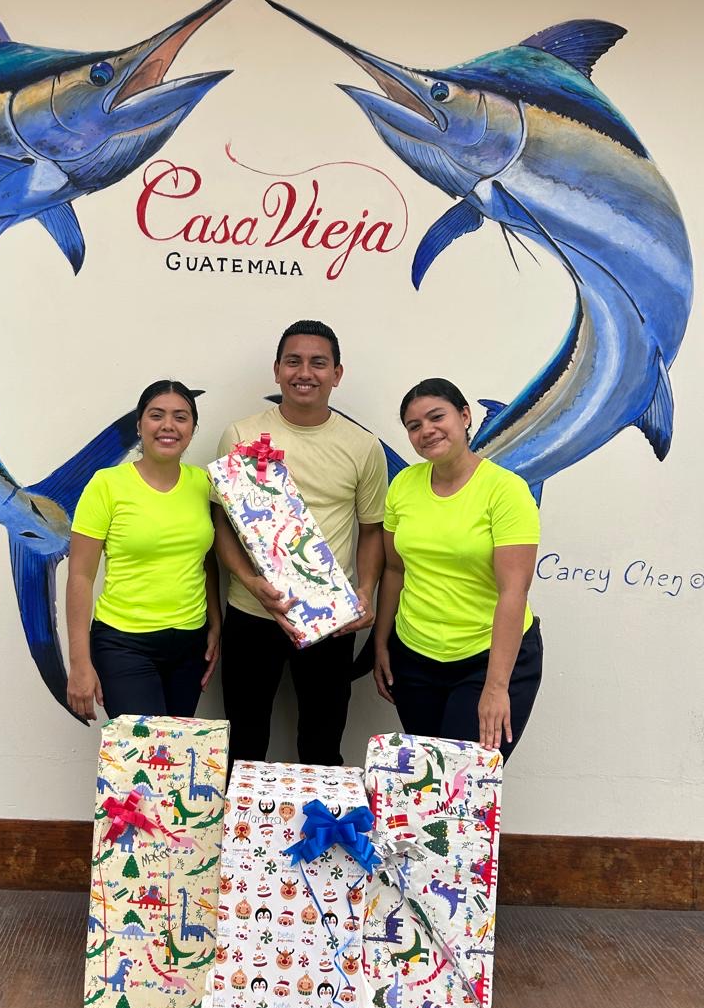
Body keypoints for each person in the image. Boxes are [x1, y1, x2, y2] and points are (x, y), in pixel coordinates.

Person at [214, 320, 388, 767]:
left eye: (318, 363)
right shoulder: (241, 436)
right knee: (244, 744)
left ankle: (318, 817)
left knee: (322, 745)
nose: (304, 372)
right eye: (293, 361)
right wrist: (249, 581)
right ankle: (243, 816)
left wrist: (365, 591)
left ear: (337, 374)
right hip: (253, 612)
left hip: (329, 618)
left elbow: (371, 529)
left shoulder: (364, 446)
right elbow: (222, 525)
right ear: (277, 370)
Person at [372, 378, 542, 760]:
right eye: (414, 426)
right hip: (414, 658)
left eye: (437, 417)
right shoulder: (403, 485)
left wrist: (496, 687)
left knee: (466, 782)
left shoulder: (506, 490)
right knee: (428, 782)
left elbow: (513, 591)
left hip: (486, 659)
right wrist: (381, 642)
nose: (426, 430)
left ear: (465, 416)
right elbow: (395, 570)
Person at [66, 380, 221, 721]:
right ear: (139, 425)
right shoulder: (106, 485)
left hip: (190, 647)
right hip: (124, 645)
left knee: (177, 752)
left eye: (180, 417)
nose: (168, 425)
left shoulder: (205, 484)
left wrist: (216, 622)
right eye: (156, 415)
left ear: (193, 428)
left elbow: (204, 560)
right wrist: (79, 663)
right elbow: (79, 575)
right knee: (142, 751)